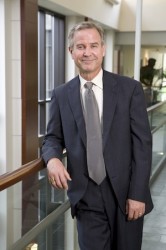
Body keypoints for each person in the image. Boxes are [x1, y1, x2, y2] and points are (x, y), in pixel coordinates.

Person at [42, 21, 153, 250]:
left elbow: (142, 145)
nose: (87, 52)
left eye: (93, 45)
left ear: (103, 49)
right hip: (86, 196)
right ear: (71, 52)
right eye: (80, 46)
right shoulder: (61, 94)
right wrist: (52, 160)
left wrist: (138, 194)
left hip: (126, 194)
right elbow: (52, 138)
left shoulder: (129, 89)